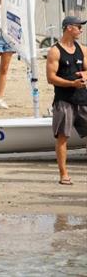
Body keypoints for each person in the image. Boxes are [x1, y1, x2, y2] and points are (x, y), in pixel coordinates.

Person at [45, 17, 87, 186]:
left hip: (83, 99)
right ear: (69, 28)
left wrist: (85, 76)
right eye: (79, 27)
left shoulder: (82, 49)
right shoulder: (55, 51)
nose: (81, 30)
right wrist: (71, 83)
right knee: (63, 138)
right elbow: (50, 78)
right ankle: (64, 174)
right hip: (64, 101)